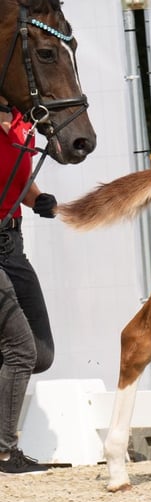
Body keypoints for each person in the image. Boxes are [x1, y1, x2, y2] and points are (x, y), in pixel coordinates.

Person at [0, 102, 58, 474]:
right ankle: (4, 453)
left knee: (40, 353)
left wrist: (37, 198)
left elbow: (15, 172)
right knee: (20, 349)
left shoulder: (24, 118)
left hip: (11, 244)